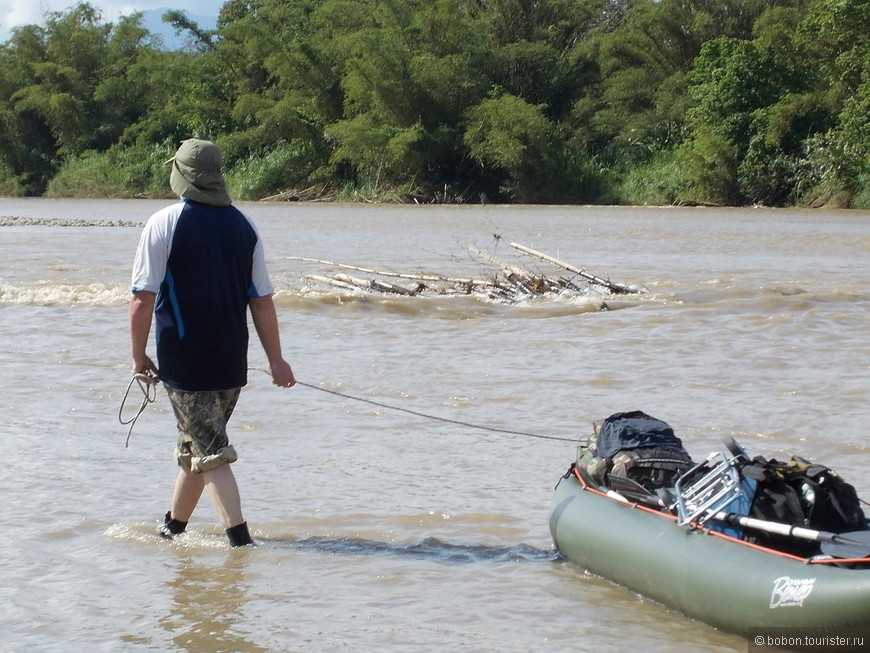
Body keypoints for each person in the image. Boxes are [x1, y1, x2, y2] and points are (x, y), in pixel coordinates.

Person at [129, 138, 295, 547]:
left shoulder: (164, 222)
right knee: (198, 442)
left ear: (182, 176)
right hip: (231, 363)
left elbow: (141, 299)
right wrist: (277, 361)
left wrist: (137, 356)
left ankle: (240, 543)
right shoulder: (244, 225)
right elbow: (262, 301)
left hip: (186, 362)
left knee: (211, 449)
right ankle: (173, 529)